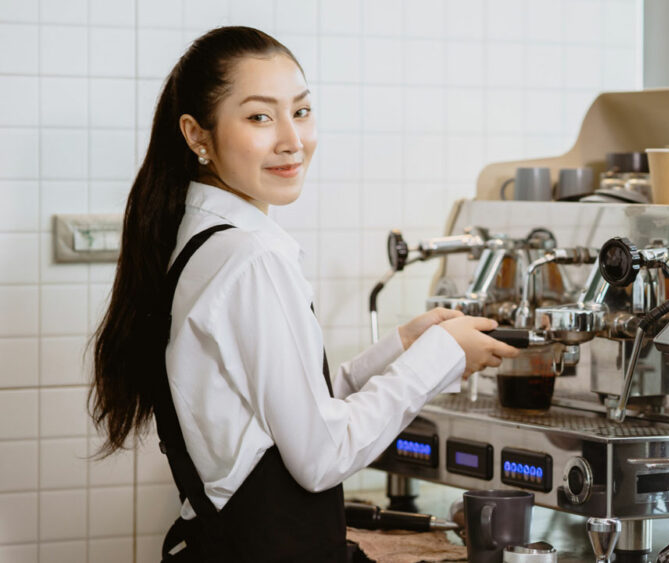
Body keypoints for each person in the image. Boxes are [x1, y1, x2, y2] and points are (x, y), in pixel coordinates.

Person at [89, 26, 519, 562]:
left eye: (302, 111)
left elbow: (281, 413)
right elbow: (320, 454)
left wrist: (402, 345)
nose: (292, 140)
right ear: (198, 135)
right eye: (259, 117)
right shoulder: (251, 258)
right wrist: (444, 356)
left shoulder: (200, 241)